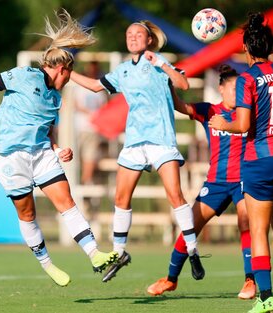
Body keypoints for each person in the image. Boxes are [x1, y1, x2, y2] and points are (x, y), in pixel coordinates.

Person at [0, 10, 118, 287]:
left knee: (67, 202)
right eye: (69, 75)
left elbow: (47, 130)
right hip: (10, 157)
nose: (69, 81)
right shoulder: (23, 75)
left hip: (41, 154)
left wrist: (57, 148)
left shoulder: (55, 97)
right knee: (28, 213)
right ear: (63, 69)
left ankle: (95, 254)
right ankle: (48, 264)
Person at [71, 20, 203, 283]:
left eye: (138, 34)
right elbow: (97, 86)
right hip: (134, 142)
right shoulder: (122, 71)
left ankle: (192, 249)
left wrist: (162, 64)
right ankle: (119, 254)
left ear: (149, 40)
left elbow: (184, 85)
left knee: (174, 195)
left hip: (161, 140)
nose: (132, 38)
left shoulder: (159, 62)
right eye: (129, 34)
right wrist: (66, 72)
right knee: (121, 198)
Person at [209, 13, 273, 313]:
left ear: (246, 48)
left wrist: (221, 122)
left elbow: (242, 125)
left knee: (258, 229)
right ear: (270, 46)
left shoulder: (247, 79)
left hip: (261, 159)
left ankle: (265, 297)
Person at [147, 65, 255, 300]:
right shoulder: (209, 111)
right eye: (234, 88)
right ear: (221, 89)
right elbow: (181, 106)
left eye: (242, 89)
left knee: (246, 222)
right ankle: (171, 279)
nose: (238, 93)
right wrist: (168, 85)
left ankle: (250, 280)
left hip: (244, 180)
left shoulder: (248, 114)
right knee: (190, 228)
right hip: (216, 183)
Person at [72, 61, 107, 185]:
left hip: (91, 128)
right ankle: (84, 181)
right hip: (81, 127)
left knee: (89, 157)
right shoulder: (79, 87)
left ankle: (85, 181)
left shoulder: (99, 90)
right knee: (82, 158)